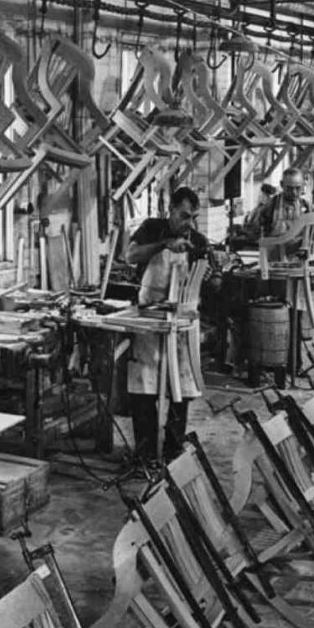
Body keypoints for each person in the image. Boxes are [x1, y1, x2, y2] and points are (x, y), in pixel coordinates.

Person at [124, 187, 208, 464]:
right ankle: (145, 454)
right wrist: (163, 244)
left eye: (193, 217)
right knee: (143, 387)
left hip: (181, 322)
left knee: (179, 387)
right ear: (169, 209)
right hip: (149, 317)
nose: (189, 224)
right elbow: (131, 256)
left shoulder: (197, 241)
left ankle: (173, 450)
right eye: (184, 216)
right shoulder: (152, 228)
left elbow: (207, 280)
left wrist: (214, 275)